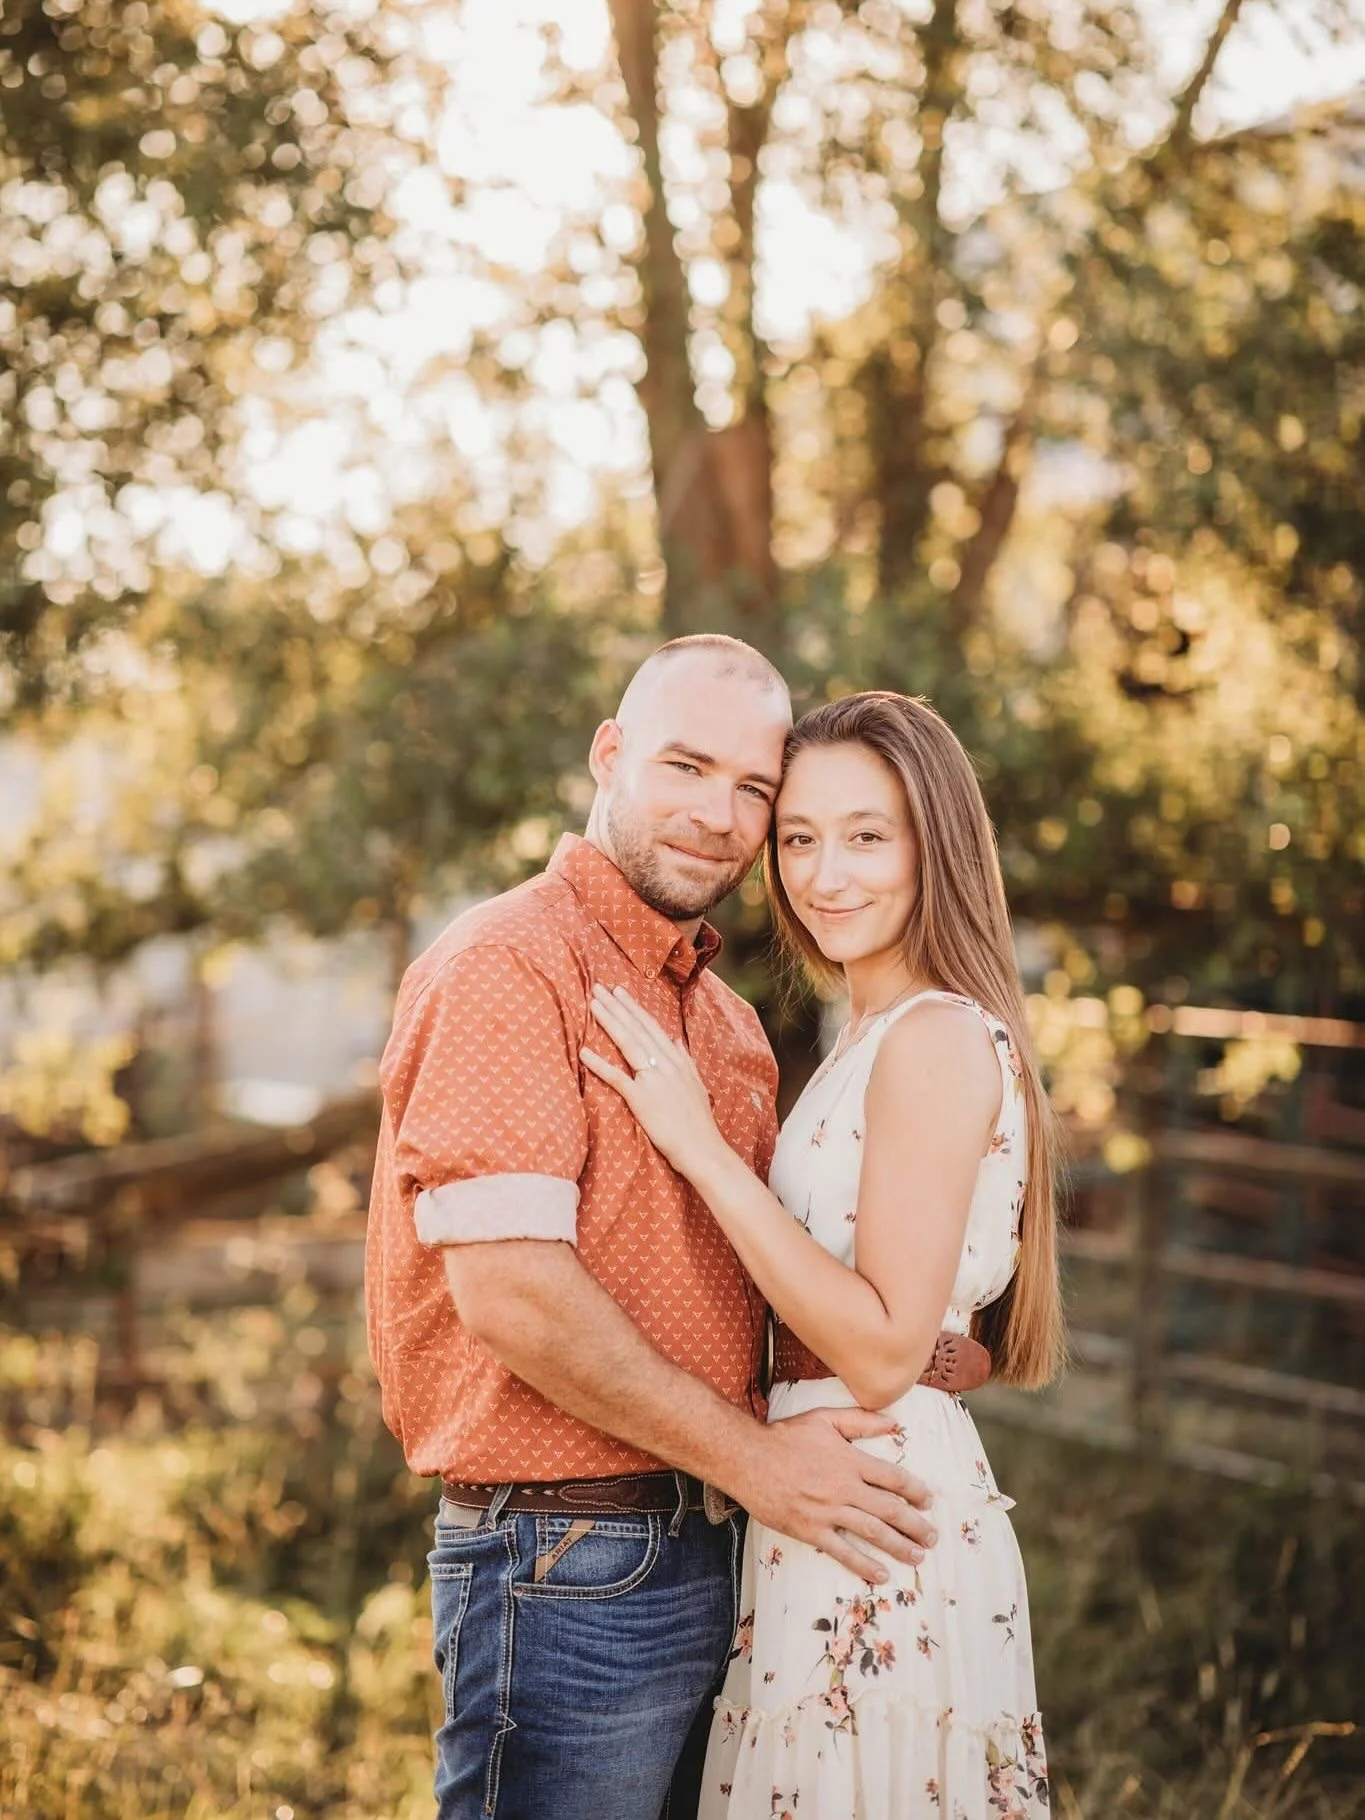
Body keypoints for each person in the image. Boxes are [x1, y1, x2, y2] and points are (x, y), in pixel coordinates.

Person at [366, 640, 986, 1820]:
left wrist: (930, 1360)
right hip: (565, 1561)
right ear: (609, 754)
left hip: (734, 1551)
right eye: (685, 765)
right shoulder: (513, 962)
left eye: (754, 789)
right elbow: (514, 1296)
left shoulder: (732, 1028)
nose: (719, 813)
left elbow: (776, 1293)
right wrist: (760, 1463)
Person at [583, 689, 1062, 1819]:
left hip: (870, 1520)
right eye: (799, 838)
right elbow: (928, 1324)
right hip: (829, 1496)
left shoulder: (936, 1033)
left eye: (866, 835)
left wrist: (702, 1149)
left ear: (934, 845)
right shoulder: (871, 1035)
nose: (825, 873)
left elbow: (887, 1347)